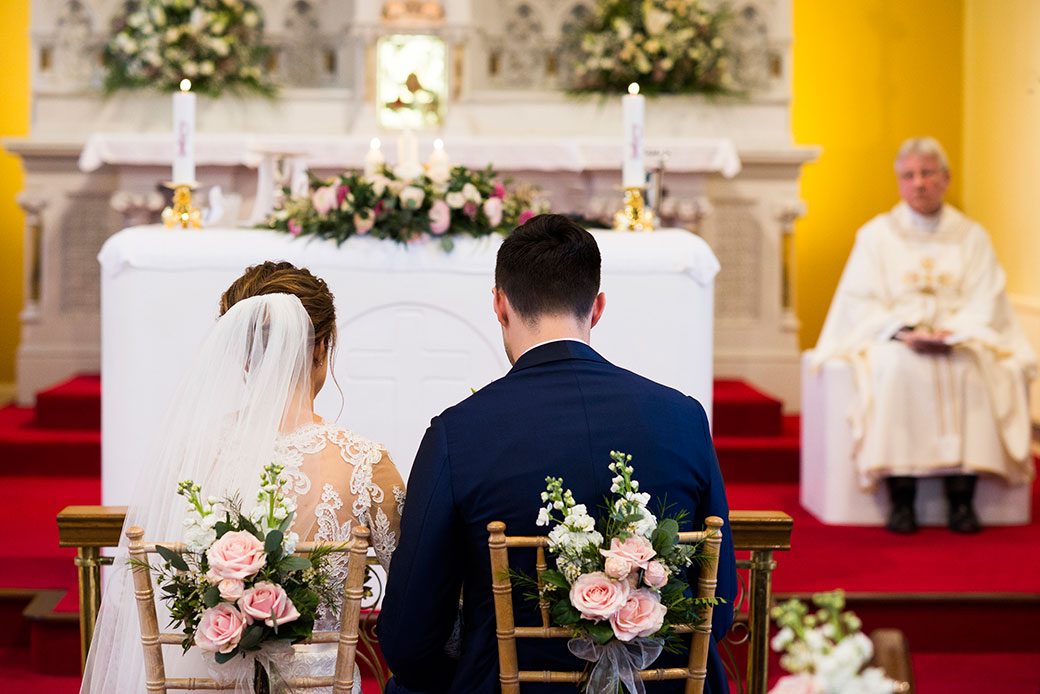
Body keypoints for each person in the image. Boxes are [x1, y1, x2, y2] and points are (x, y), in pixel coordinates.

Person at [378, 214, 737, 694]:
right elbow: (719, 606)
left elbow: (409, 638)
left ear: (500, 305)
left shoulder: (457, 433)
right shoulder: (683, 418)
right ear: (598, 307)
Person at [80, 262, 405, 693]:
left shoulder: (192, 453)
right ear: (322, 348)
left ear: (240, 352)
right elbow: (417, 591)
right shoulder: (364, 462)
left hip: (195, 682)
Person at [813, 137, 1036, 534]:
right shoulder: (876, 235)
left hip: (958, 339)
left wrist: (956, 332)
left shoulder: (971, 235)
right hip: (897, 341)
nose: (918, 183)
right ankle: (902, 498)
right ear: (899, 182)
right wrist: (902, 331)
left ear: (945, 178)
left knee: (973, 370)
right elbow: (860, 301)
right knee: (895, 369)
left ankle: (962, 500)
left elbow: (986, 298)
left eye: (927, 173)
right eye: (909, 175)